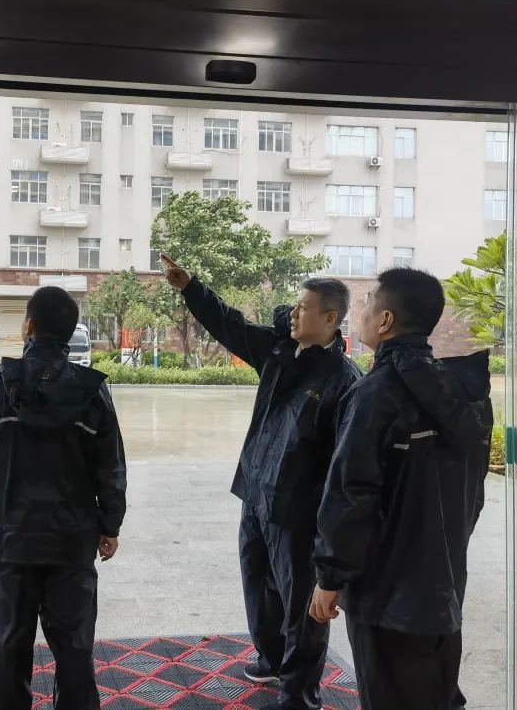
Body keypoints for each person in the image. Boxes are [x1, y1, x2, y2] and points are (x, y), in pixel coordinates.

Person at [161, 254, 361, 710]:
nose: (294, 313)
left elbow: (343, 467)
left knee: (300, 606)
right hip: (255, 493)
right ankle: (271, 659)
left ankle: (299, 695)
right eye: (295, 305)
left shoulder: (344, 381)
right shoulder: (277, 351)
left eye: (304, 308)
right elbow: (228, 325)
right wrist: (191, 287)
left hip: (298, 509)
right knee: (258, 585)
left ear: (330, 319)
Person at [309, 268, 493, 710]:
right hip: (444, 589)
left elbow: (352, 495)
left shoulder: (375, 395)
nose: (361, 311)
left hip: (387, 599)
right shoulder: (463, 391)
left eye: (368, 302)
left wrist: (330, 577)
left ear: (386, 320)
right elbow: (473, 493)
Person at [0, 286, 127, 710]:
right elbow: (110, 465)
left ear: (28, 326)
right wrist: (110, 524)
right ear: (70, 332)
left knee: (4, 648)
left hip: (3, 538)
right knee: (75, 648)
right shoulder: (91, 392)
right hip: (71, 539)